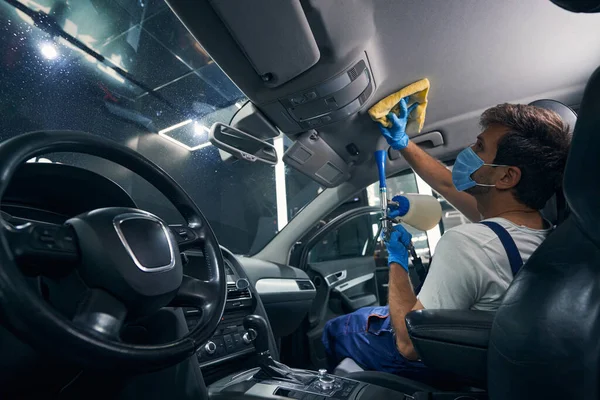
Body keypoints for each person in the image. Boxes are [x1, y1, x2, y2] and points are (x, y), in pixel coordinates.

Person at [322, 100, 571, 380]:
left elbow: (407, 344)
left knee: (339, 329)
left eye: (479, 147)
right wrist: (403, 143)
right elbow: (447, 183)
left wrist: (396, 261)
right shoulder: (543, 233)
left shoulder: (471, 243)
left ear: (506, 177)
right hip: (494, 362)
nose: (468, 152)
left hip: (439, 360)